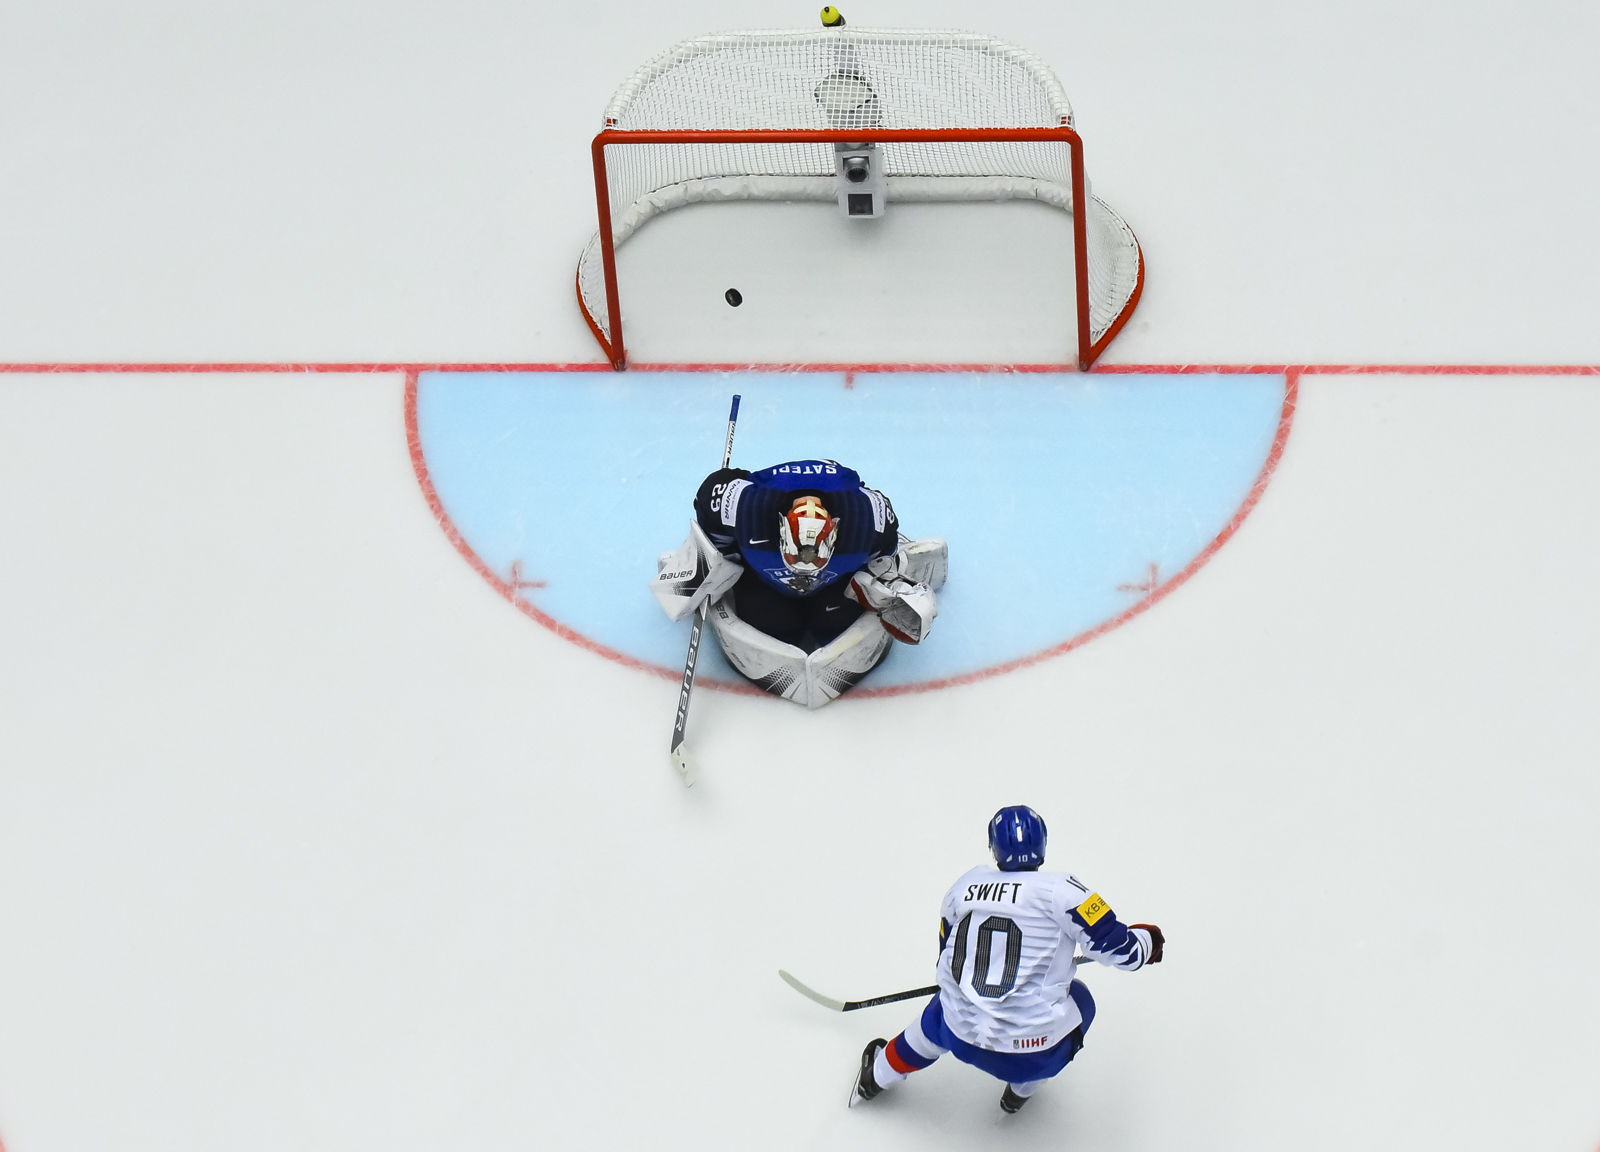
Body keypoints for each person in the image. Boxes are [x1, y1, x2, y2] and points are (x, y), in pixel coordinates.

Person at [851, 805, 1164, 1113]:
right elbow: (1122, 952)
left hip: (958, 1036)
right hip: (1031, 1056)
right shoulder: (1065, 891)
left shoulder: (965, 885)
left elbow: (946, 949)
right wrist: (1148, 940)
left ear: (994, 847)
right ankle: (1021, 1091)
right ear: (1043, 843)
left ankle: (876, 1076)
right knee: (1082, 999)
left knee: (941, 1011)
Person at [649, 459, 945, 708]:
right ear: (781, 529)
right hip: (764, 585)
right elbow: (712, 497)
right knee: (776, 625)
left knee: (831, 626)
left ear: (835, 532)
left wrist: (886, 585)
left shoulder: (871, 520)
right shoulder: (740, 506)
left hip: (832, 588)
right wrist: (713, 558)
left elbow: (880, 564)